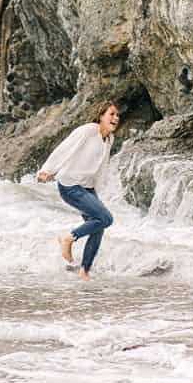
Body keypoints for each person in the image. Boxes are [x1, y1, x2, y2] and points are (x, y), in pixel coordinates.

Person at [37, 101, 120, 278]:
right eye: (111, 114)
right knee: (106, 218)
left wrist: (97, 194)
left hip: (87, 188)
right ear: (101, 116)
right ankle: (68, 237)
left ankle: (84, 272)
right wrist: (47, 169)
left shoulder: (109, 139)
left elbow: (101, 168)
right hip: (70, 186)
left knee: (98, 227)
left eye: (117, 115)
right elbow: (65, 147)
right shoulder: (89, 130)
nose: (115, 118)